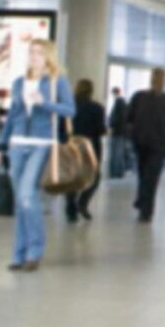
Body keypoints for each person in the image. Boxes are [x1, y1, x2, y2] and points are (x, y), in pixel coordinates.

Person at [0, 39, 74, 272]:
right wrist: (1, 146)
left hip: (42, 143)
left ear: (48, 56)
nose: (34, 57)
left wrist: (45, 103)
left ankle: (34, 252)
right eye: (31, 52)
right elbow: (12, 116)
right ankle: (19, 255)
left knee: (28, 195)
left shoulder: (58, 82)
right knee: (20, 200)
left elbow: (70, 110)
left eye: (39, 53)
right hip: (18, 143)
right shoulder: (19, 83)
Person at [127, 68, 165, 223]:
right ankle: (145, 208)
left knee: (143, 175)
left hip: (141, 141)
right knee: (151, 177)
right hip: (157, 143)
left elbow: (129, 117)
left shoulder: (138, 96)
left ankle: (143, 203)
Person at [65, 79, 106, 222]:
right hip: (91, 146)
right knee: (94, 177)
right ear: (91, 91)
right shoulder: (97, 108)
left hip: (72, 145)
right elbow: (100, 130)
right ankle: (82, 203)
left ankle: (70, 208)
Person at [108, 86, 130, 179]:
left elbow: (117, 118)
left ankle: (116, 172)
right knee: (118, 152)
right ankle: (117, 172)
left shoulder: (119, 102)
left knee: (116, 152)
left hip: (118, 131)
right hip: (121, 132)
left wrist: (112, 126)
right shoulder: (122, 102)